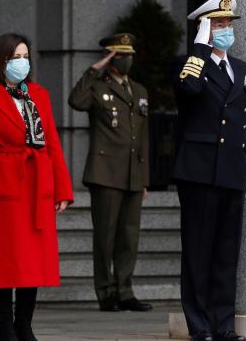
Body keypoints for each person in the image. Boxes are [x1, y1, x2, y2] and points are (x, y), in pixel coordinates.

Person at [0, 33, 74, 341]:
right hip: (4, 189)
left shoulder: (38, 94)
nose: (22, 62)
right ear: (1, 62)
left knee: (32, 262)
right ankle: (4, 324)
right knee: (4, 261)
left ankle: (24, 324)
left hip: (37, 188)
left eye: (25, 56)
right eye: (16, 57)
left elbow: (52, 143)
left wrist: (62, 189)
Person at [172, 0, 246, 341]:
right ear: (203, 27)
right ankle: (201, 325)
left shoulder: (244, 69)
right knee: (199, 252)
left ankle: (225, 325)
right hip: (200, 172)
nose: (225, 30)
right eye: (217, 24)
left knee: (225, 254)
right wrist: (201, 50)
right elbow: (188, 90)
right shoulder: (189, 64)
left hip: (232, 171)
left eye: (228, 24)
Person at [68, 33, 152, 312]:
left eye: (130, 54)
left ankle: (125, 290)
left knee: (129, 237)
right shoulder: (96, 87)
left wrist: (144, 179)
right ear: (110, 57)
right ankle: (105, 292)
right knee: (105, 237)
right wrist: (95, 69)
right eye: (120, 55)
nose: (127, 59)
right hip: (105, 174)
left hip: (132, 174)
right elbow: (75, 101)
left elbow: (143, 138)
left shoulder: (139, 91)